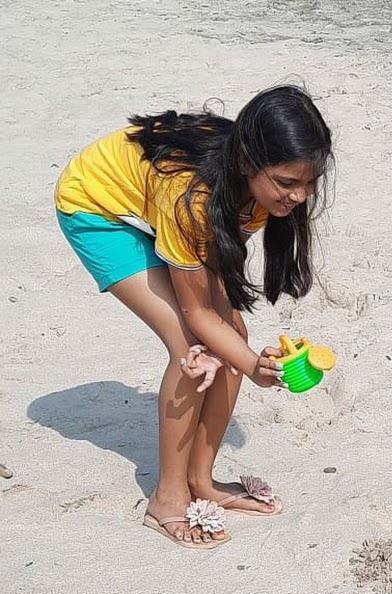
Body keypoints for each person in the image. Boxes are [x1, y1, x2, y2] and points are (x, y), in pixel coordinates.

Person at [55, 85, 333, 548]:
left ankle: (201, 481)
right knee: (192, 347)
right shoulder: (192, 196)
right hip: (96, 209)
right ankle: (167, 498)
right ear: (247, 161)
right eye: (287, 182)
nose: (300, 196)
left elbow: (216, 295)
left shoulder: (252, 192)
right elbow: (196, 311)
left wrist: (243, 354)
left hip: (160, 209)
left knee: (232, 332)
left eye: (309, 182)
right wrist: (253, 368)